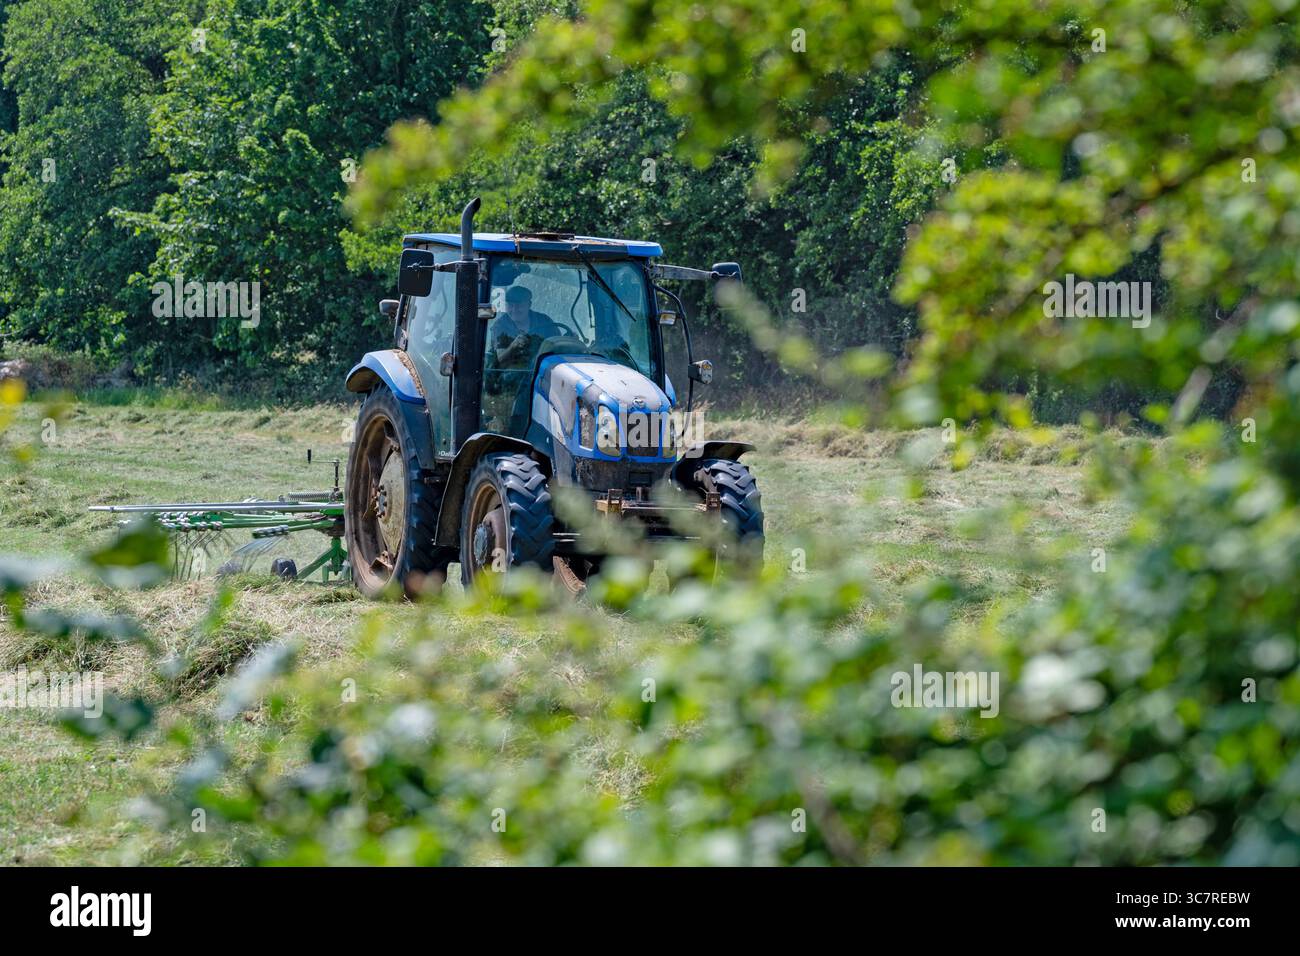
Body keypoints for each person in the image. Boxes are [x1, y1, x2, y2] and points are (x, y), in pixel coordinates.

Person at [484, 285, 567, 435]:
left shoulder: (544, 322)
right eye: (510, 305)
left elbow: (558, 345)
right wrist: (513, 346)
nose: (514, 309)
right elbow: (500, 360)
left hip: (542, 373)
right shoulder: (501, 326)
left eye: (519, 305)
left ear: (529, 304)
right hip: (510, 379)